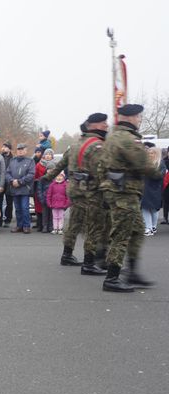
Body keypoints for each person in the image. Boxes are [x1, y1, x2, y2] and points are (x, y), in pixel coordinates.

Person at [100, 104, 159, 292]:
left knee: (137, 230)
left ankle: (132, 272)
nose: (139, 120)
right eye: (138, 117)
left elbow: (101, 166)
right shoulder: (127, 139)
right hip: (124, 193)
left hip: (118, 191)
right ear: (130, 118)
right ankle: (112, 278)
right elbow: (144, 165)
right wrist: (157, 173)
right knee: (122, 233)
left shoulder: (111, 137)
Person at [43, 112, 109, 271]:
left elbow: (60, 165)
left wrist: (48, 176)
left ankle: (67, 255)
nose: (107, 126)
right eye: (104, 123)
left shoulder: (75, 145)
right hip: (91, 191)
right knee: (93, 226)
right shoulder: (98, 145)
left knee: (74, 222)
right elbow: (101, 171)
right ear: (94, 125)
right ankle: (89, 262)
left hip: (74, 189)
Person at [6, 144, 35, 233]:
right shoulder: (12, 161)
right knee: (17, 209)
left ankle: (26, 226)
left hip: (24, 189)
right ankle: (19, 226)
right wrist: (11, 181)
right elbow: (7, 173)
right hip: (14, 188)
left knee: (24, 208)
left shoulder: (30, 161)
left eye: (22, 149)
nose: (20, 151)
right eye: (19, 149)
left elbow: (31, 174)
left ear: (26, 151)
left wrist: (20, 182)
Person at [140, 143, 166, 236]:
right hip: (145, 189)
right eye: (149, 153)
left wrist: (148, 170)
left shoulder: (161, 164)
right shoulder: (146, 164)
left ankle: (151, 227)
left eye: (152, 153)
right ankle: (150, 227)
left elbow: (158, 176)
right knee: (145, 208)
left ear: (157, 154)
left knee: (153, 210)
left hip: (154, 190)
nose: (150, 154)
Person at [34, 148, 55, 232]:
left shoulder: (55, 165)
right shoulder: (39, 165)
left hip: (52, 189)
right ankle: (41, 225)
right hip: (41, 187)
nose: (48, 156)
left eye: (50, 154)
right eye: (46, 154)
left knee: (51, 210)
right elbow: (35, 176)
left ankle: (51, 225)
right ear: (44, 155)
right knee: (40, 207)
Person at [0, 142, 14, 227]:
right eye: (3, 147)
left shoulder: (13, 159)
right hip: (1, 182)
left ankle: (8, 219)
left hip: (9, 183)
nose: (3, 148)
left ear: (9, 149)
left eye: (5, 147)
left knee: (9, 202)